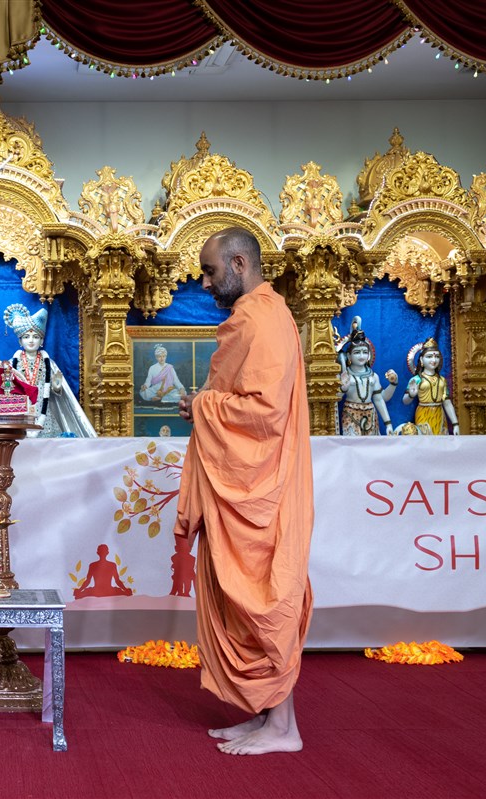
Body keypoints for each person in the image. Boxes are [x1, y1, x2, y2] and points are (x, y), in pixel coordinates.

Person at [174, 227, 313, 756]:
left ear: (238, 264)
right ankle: (268, 715)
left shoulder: (262, 318)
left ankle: (284, 728)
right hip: (245, 482)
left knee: (263, 596)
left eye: (210, 272)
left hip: (261, 489)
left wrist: (203, 405)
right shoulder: (255, 316)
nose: (205, 283)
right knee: (245, 596)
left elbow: (265, 411)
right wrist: (205, 402)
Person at [3, 303, 97, 438]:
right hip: (20, 415)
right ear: (20, 341)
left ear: (41, 341)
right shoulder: (12, 364)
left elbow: (56, 393)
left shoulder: (49, 363)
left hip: (45, 414)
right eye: (26, 337)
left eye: (36, 337)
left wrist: (56, 387)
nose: (31, 341)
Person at [335, 318, 397, 435]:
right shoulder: (345, 375)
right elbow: (335, 399)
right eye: (357, 352)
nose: (361, 356)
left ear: (369, 355)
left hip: (371, 415)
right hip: (350, 414)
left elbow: (380, 399)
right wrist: (343, 388)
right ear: (349, 356)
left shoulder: (373, 376)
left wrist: (393, 384)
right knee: (352, 445)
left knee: (372, 445)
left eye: (364, 352)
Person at [402, 338, 459, 435]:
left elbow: (447, 403)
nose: (434, 360)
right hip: (423, 414)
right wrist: (411, 395)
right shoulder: (416, 379)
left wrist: (455, 424)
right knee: (425, 440)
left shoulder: (442, 380)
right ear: (421, 359)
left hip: (440, 414)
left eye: (437, 356)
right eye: (429, 357)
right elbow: (405, 401)